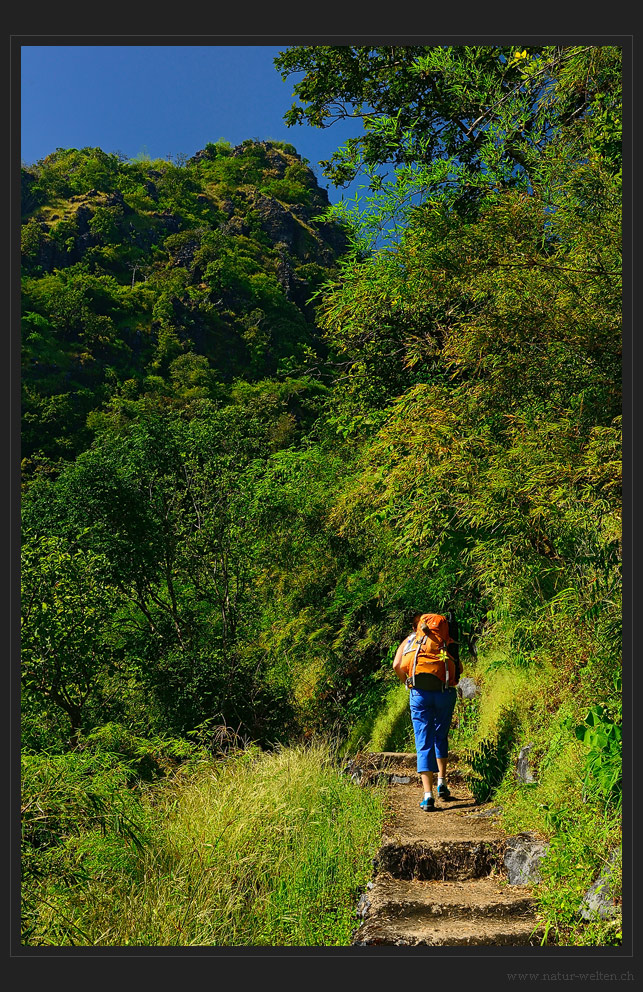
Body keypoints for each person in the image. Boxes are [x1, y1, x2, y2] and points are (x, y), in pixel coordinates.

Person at [393, 610, 461, 811]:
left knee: (424, 741)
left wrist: (408, 683)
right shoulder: (445, 640)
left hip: (419, 694)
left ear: (416, 627)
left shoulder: (411, 640)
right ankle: (442, 782)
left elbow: (397, 665)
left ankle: (427, 795)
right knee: (440, 736)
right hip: (445, 692)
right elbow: (459, 668)